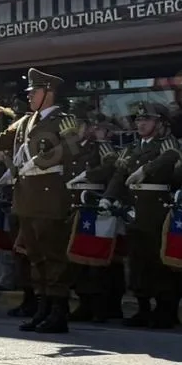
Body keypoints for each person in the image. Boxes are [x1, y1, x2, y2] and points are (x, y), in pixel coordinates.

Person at [0, 68, 80, 334]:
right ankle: (42, 308)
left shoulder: (64, 120)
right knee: (35, 257)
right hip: (26, 198)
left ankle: (58, 311)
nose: (30, 97)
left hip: (49, 198)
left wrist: (37, 163)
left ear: (48, 93)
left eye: (35, 92)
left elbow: (71, 148)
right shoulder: (24, 122)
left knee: (53, 257)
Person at [91, 101, 182, 329]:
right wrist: (109, 197)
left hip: (158, 209)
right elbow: (119, 175)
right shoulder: (131, 148)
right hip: (134, 210)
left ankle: (166, 309)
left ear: (161, 123)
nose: (141, 123)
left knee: (161, 262)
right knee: (138, 262)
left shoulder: (168, 145)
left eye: (147, 119)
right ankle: (143, 307)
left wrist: (147, 169)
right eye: (138, 119)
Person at [65, 113, 122, 322]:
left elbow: (113, 167)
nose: (76, 130)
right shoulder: (71, 148)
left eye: (79, 125)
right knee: (78, 258)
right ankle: (84, 302)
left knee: (96, 259)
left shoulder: (100, 146)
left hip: (94, 203)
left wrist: (90, 175)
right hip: (75, 204)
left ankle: (102, 305)